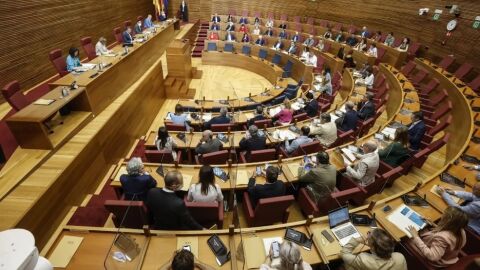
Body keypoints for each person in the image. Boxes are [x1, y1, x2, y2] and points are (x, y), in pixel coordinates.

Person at [342, 228, 407, 270]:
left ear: (373, 246)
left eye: (369, 233)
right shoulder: (400, 257)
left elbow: (344, 253)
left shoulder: (364, 259)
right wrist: (371, 245)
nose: (368, 233)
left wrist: (356, 240)